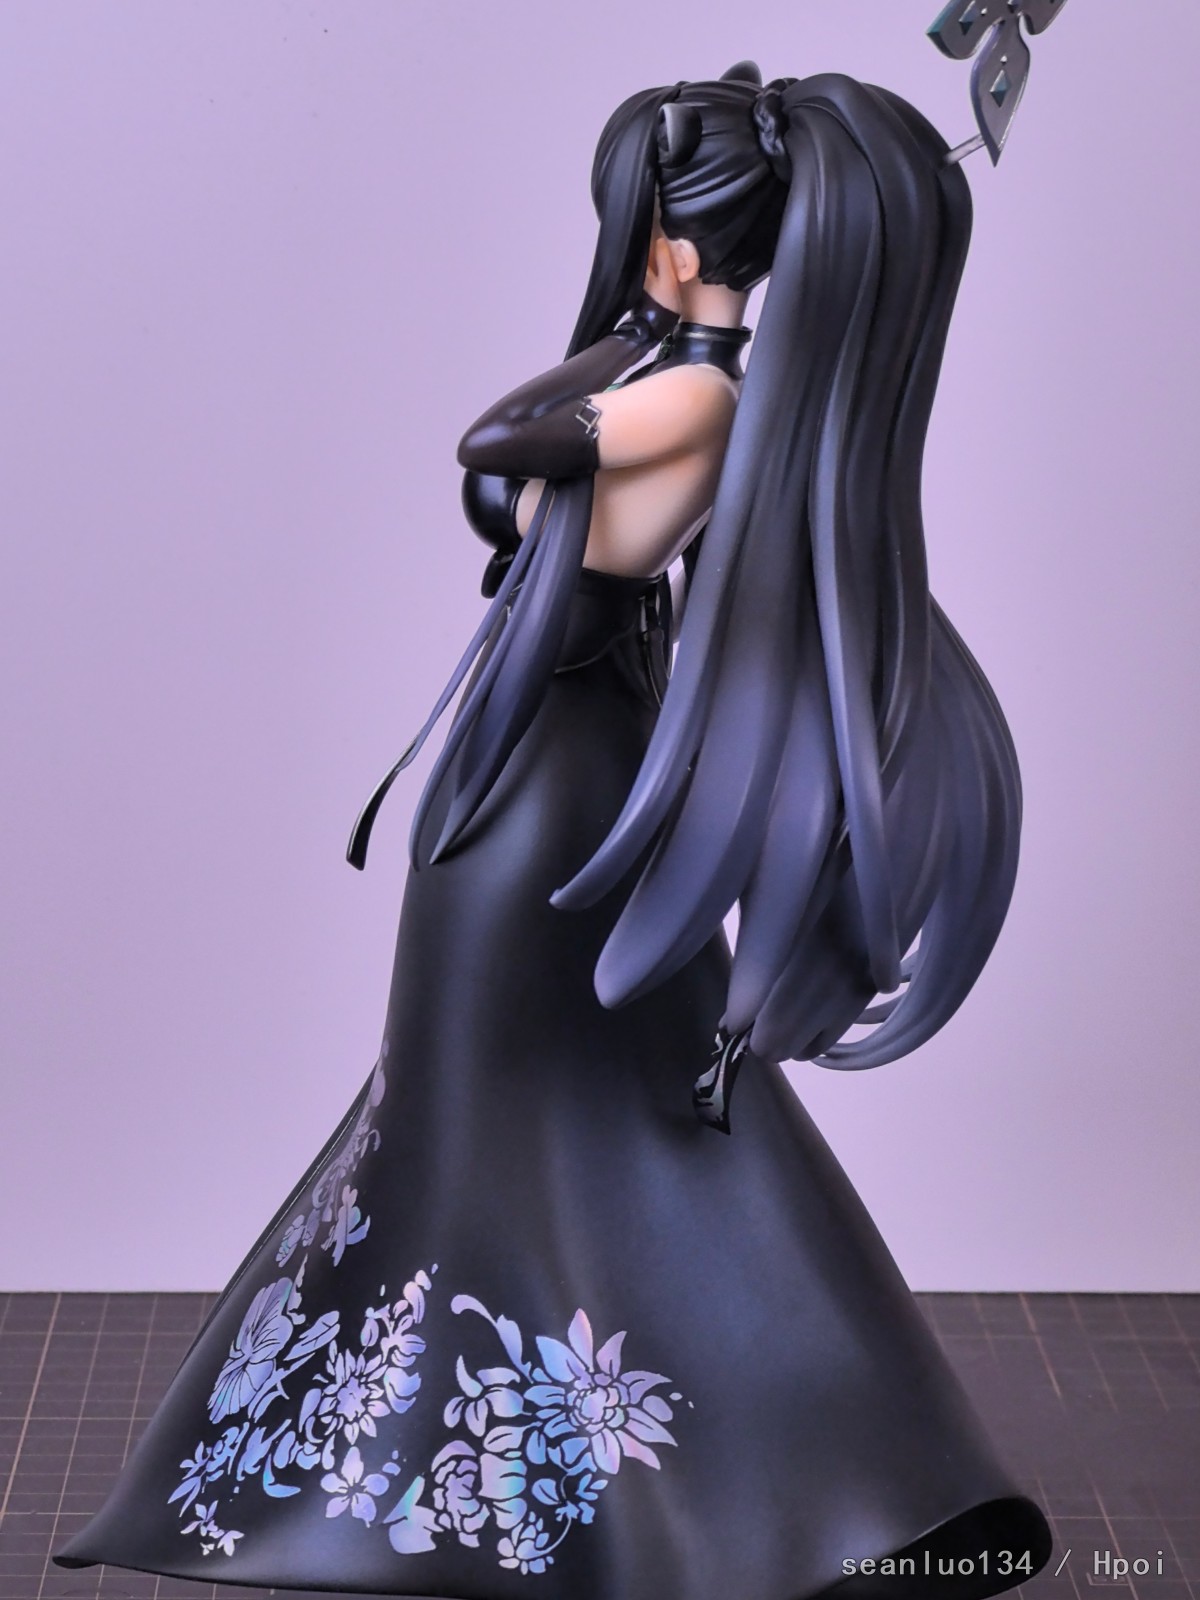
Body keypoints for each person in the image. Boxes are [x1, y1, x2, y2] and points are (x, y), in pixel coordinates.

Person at [55, 62, 1052, 1600]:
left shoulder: (693, 395)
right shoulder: (670, 374)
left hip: (565, 774)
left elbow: (495, 440)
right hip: (540, 755)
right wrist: (640, 321)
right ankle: (605, 1445)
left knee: (534, 1089)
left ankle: (783, 1459)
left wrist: (640, 330)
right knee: (525, 1093)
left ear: (672, 236)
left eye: (636, 210)